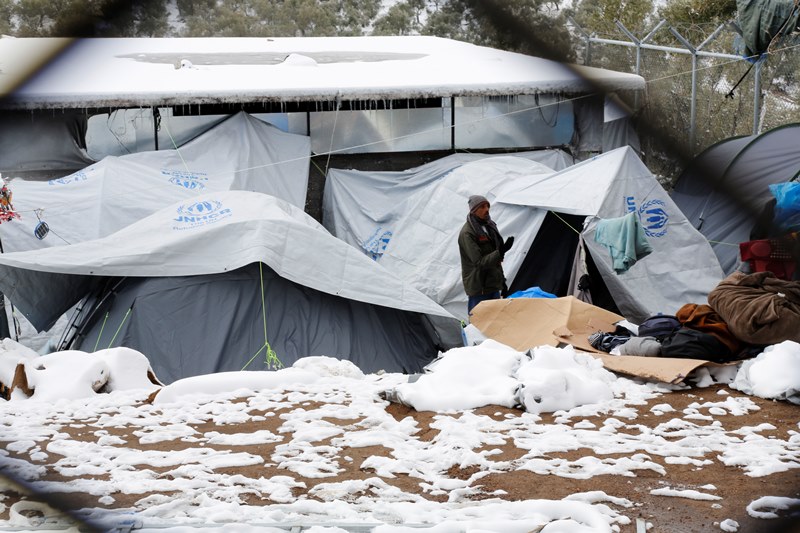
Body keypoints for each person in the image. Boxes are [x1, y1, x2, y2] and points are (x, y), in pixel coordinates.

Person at [458, 194, 514, 314]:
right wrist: (500, 251)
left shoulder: (490, 226)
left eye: (487, 206)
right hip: (480, 288)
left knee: (495, 321)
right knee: (478, 322)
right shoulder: (468, 233)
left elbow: (496, 261)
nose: (487, 210)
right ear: (474, 210)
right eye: (482, 207)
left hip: (493, 284)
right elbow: (479, 263)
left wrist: (502, 283)